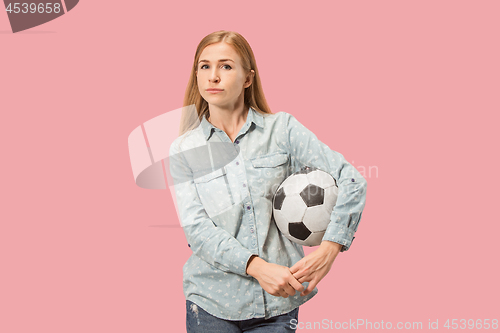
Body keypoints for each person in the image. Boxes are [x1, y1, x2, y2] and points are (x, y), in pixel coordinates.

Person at [168, 30, 367, 333]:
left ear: (248, 78)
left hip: (279, 303)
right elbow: (197, 230)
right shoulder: (183, 150)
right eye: (204, 66)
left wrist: (330, 248)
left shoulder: (283, 130)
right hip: (210, 302)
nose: (213, 77)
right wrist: (258, 268)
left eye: (226, 66)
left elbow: (351, 179)